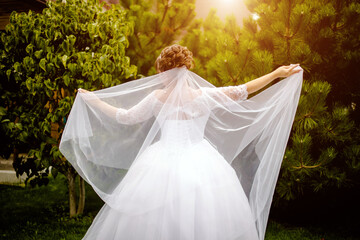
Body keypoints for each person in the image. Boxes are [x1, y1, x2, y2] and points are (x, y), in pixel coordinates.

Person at [60, 44, 303, 240]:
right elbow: (243, 90)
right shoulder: (205, 97)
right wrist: (276, 73)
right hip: (203, 162)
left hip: (159, 163)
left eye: (160, 73)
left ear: (167, 72)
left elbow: (124, 117)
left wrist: (93, 100)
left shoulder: (157, 98)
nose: (160, 78)